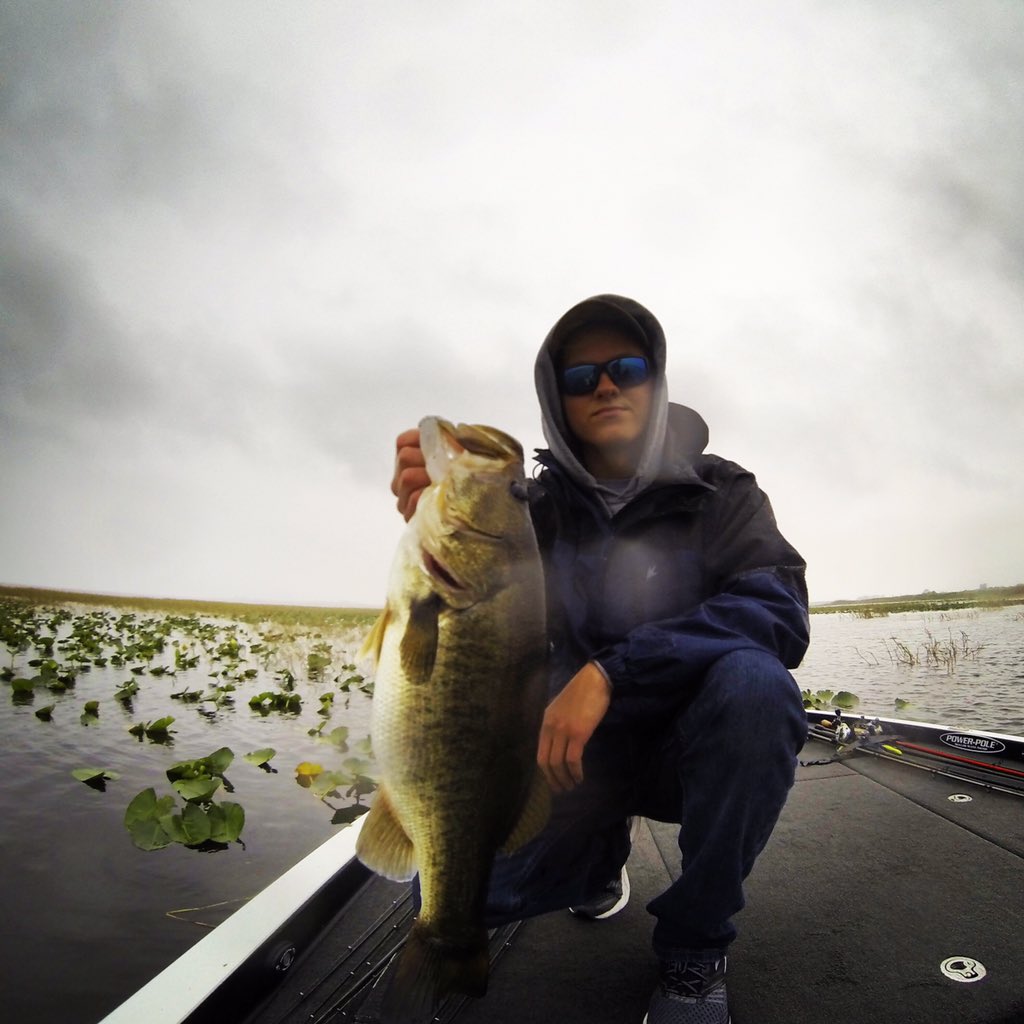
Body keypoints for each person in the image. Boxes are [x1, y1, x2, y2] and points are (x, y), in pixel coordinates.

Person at [390, 295, 809, 1024]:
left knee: (757, 688)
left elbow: (776, 611)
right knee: (464, 895)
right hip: (571, 761)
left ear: (656, 379)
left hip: (690, 754)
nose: (606, 386)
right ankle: (595, 856)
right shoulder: (533, 511)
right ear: (558, 399)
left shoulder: (725, 492)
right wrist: (431, 507)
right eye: (582, 378)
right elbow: (476, 621)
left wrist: (613, 672)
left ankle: (693, 954)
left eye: (626, 367)